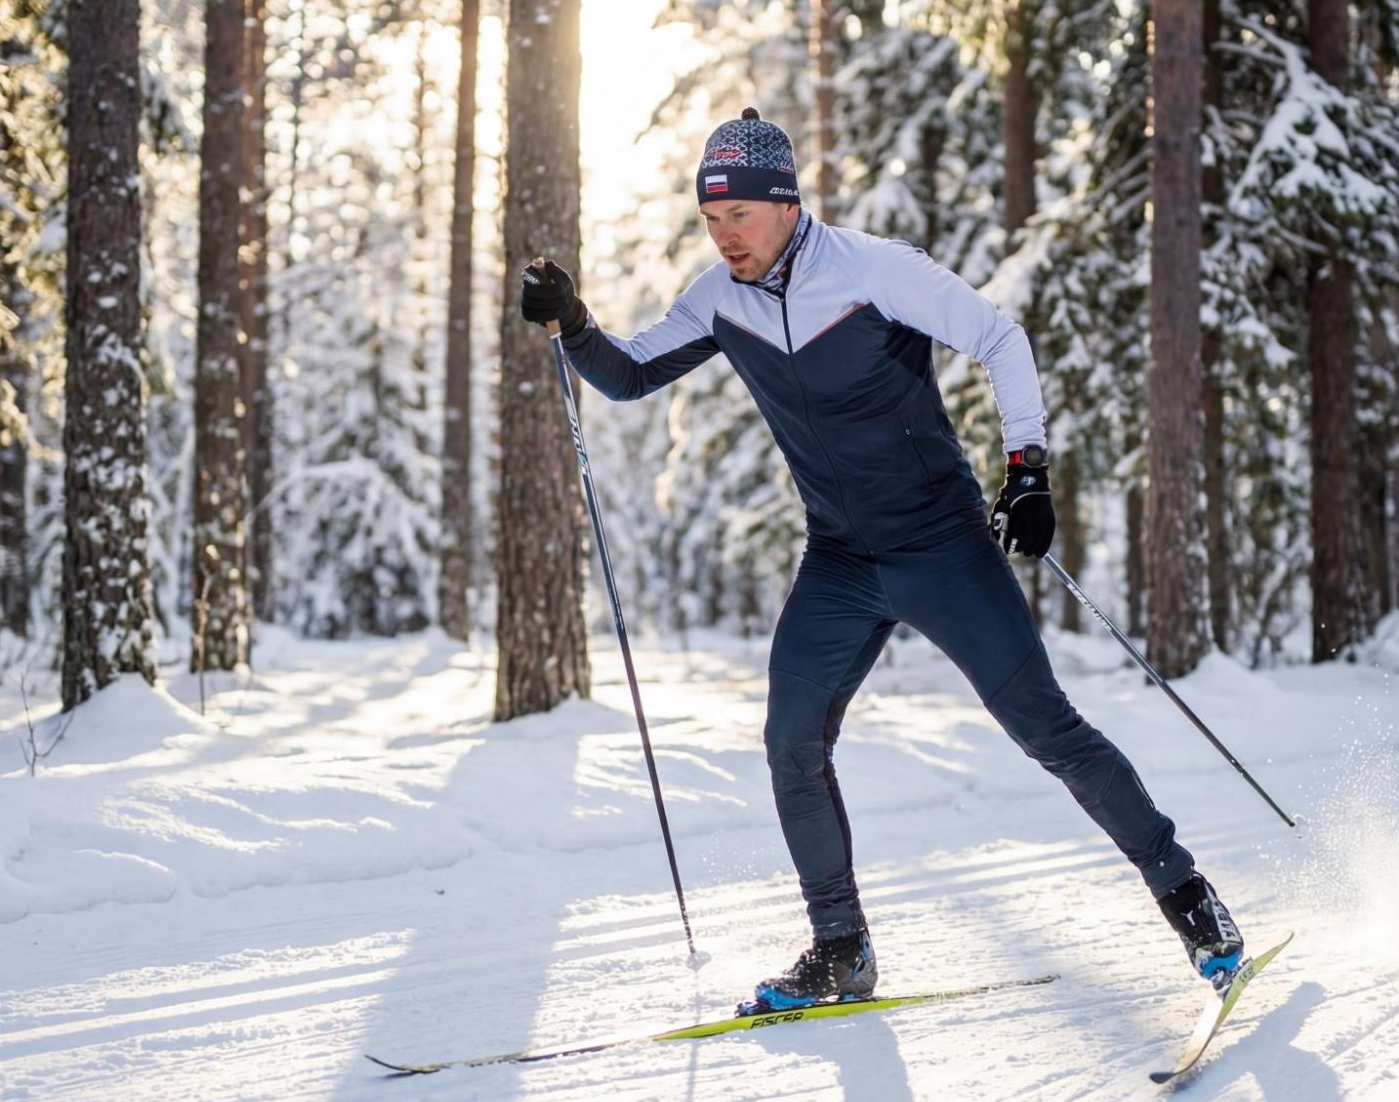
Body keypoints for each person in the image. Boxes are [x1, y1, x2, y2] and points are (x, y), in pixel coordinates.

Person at [519, 108, 1245, 1013]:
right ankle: (840, 949)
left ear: (785, 204)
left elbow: (999, 338)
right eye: (711, 219)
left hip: (941, 544)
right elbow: (628, 375)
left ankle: (1189, 901)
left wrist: (1027, 471)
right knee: (791, 742)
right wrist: (575, 321)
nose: (723, 235)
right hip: (839, 560)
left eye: (738, 215)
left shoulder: (871, 269)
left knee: (1045, 729)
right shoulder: (719, 296)